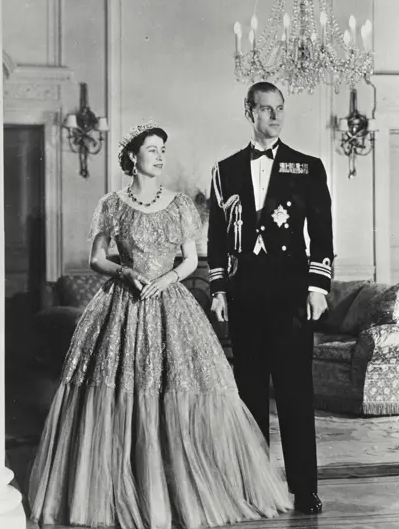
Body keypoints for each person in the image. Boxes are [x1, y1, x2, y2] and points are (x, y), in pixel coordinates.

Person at [28, 121, 292, 529]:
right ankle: (124, 485)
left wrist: (168, 279)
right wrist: (125, 274)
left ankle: (177, 490)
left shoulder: (181, 204)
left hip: (170, 301)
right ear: (133, 157)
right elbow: (97, 258)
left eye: (163, 149)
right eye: (153, 149)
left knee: (177, 385)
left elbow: (190, 259)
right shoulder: (112, 204)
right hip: (123, 302)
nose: (160, 156)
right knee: (119, 391)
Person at [207, 81, 334, 516]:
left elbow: (322, 234)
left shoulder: (308, 167)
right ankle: (254, 484)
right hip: (245, 297)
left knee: (296, 393)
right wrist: (219, 288)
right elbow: (218, 238)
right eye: (265, 109)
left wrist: (319, 288)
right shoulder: (225, 170)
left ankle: (305, 488)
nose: (275, 117)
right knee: (249, 395)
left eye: (280, 109)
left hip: (290, 297)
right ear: (250, 112)